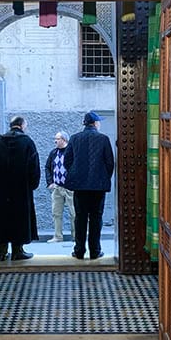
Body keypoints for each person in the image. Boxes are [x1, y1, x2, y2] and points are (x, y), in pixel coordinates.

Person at [0, 116, 40, 261]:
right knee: (19, 219)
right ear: (22, 126)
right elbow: (34, 167)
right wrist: (32, 185)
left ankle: (1, 253)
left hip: (0, 190)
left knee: (1, 218)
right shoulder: (27, 142)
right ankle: (17, 251)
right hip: (21, 189)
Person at [63, 111, 115, 260]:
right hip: (98, 187)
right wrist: (103, 178)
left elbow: (67, 161)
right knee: (96, 218)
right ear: (95, 123)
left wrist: (76, 175)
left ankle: (79, 251)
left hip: (79, 187)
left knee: (80, 218)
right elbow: (109, 162)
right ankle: (95, 251)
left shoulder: (74, 138)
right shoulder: (103, 139)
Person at [44, 131, 76, 243]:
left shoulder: (71, 152)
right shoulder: (53, 153)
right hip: (57, 188)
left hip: (70, 188)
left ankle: (75, 236)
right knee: (56, 213)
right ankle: (58, 236)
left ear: (64, 140)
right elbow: (47, 167)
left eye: (57, 138)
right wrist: (50, 182)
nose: (55, 141)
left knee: (74, 213)